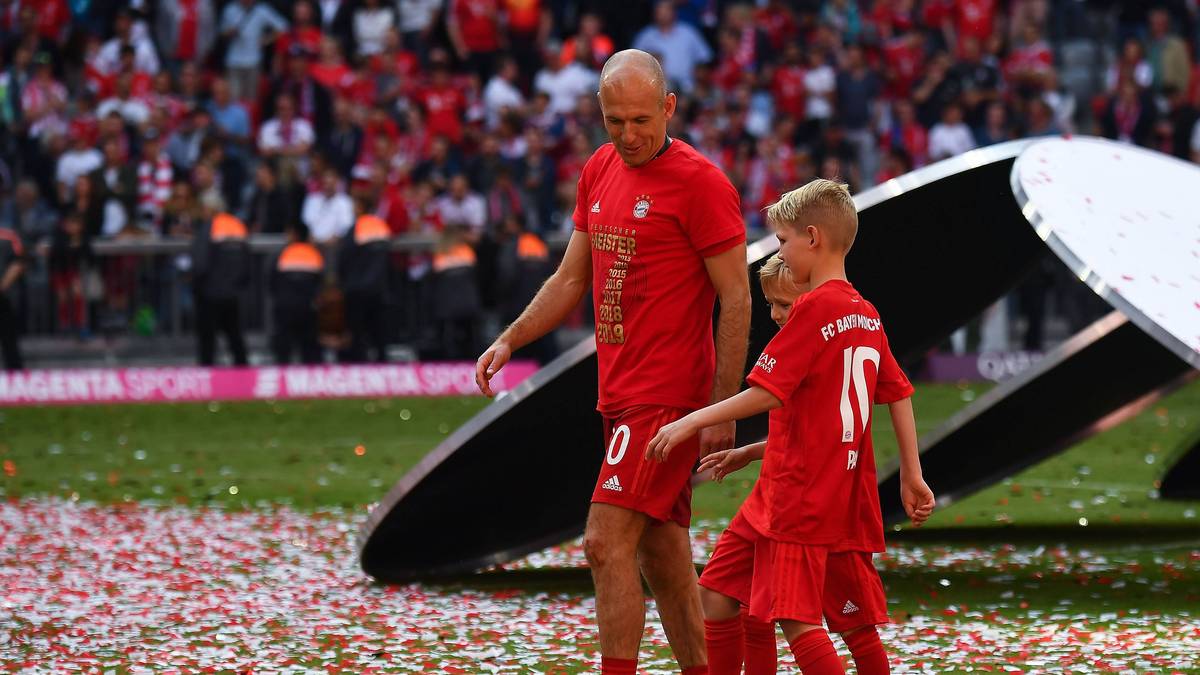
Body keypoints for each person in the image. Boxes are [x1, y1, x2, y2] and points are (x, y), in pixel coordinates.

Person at [475, 50, 751, 674]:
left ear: (669, 108)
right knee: (664, 559)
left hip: (666, 401)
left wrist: (722, 408)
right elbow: (571, 278)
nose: (627, 135)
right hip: (618, 394)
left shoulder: (702, 183)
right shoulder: (600, 168)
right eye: (613, 121)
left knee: (603, 541)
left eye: (639, 121)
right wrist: (511, 338)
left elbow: (736, 296)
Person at [646, 179, 935, 675]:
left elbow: (767, 392)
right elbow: (898, 394)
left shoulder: (813, 309)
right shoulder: (865, 313)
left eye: (782, 241)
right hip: (830, 491)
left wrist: (692, 419)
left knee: (795, 620)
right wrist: (912, 473)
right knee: (719, 594)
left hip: (798, 497)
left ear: (812, 238)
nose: (780, 250)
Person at [692, 254, 804, 675]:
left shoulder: (806, 342)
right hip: (775, 492)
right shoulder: (813, 334)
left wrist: (701, 417)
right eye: (771, 304)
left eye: (784, 304)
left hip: (794, 497)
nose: (774, 314)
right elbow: (798, 433)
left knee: (812, 624)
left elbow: (766, 397)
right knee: (736, 598)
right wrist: (749, 452)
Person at [192, 210, 251, 366]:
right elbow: (247, 261)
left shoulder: (209, 227)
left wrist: (197, 285)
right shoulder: (237, 225)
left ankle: (207, 375)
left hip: (210, 292)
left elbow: (200, 263)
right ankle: (244, 374)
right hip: (233, 293)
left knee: (208, 339)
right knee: (235, 336)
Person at [338, 204, 391, 362]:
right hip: (380, 288)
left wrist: (344, 283)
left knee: (358, 331)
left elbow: (344, 258)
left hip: (357, 289)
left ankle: (360, 363)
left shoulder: (356, 228)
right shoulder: (381, 227)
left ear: (360, 208)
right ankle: (382, 362)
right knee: (379, 331)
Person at [270, 224, 324, 364]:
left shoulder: (283, 253)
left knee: (283, 350)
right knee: (309, 349)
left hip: (285, 306)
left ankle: (282, 377)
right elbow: (321, 282)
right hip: (308, 308)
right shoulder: (314, 253)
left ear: (295, 234)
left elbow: (271, 280)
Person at [0, 223, 25, 369]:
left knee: (9, 342)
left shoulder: (8, 236)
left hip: (4, 299)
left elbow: (18, 263)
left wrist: (2, 285)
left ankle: (15, 380)